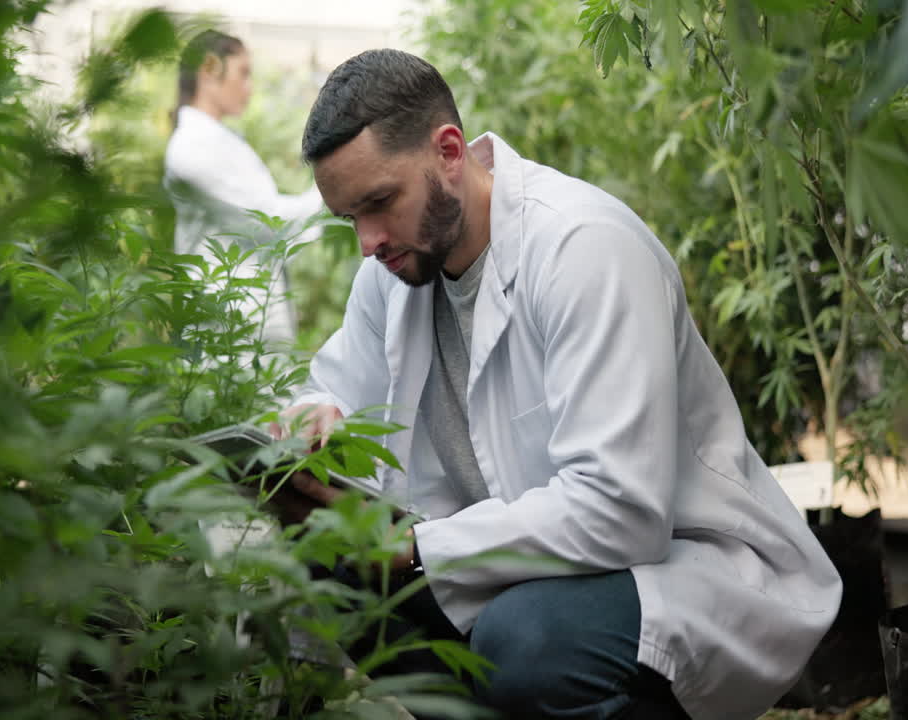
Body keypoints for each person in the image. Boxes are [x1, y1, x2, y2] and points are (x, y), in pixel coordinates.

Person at [273, 49, 842, 720]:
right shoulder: (394, 272)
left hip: (678, 565)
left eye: (379, 203)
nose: (367, 241)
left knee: (526, 642)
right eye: (350, 219)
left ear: (449, 151)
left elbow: (621, 513)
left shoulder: (583, 249)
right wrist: (311, 421)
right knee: (333, 572)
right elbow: (333, 386)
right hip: (525, 569)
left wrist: (414, 547)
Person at [164, 30, 322, 349]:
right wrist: (331, 191)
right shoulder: (192, 147)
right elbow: (266, 219)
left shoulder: (219, 140)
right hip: (226, 332)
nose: (249, 87)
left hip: (247, 325)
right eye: (243, 73)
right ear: (209, 70)